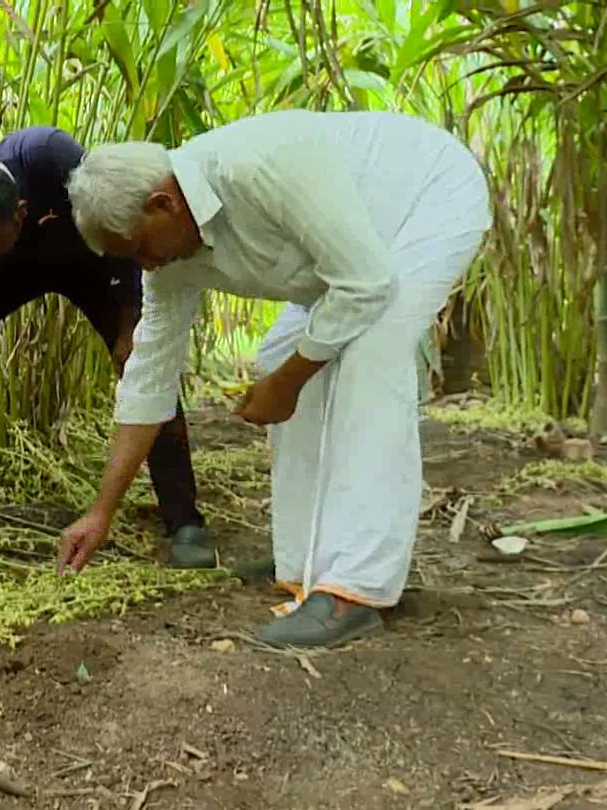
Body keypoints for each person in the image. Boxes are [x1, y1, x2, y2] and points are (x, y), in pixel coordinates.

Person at [56, 109, 491, 647]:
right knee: (281, 352)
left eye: (140, 248)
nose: (144, 265)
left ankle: (355, 588)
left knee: (371, 354)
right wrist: (101, 512)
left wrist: (288, 384)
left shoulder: (259, 166)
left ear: (163, 203)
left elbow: (366, 285)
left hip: (423, 199)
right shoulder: (168, 257)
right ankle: (305, 561)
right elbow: (149, 377)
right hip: (348, 258)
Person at [0, 125, 217, 568]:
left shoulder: (50, 156)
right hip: (10, 275)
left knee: (142, 361)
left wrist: (128, 320)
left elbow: (120, 223)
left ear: (20, 214)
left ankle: (184, 520)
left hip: (92, 257)